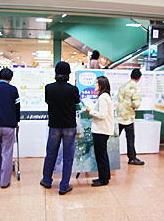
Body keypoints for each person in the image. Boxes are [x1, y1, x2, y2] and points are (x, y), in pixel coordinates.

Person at [40, 61, 80, 195]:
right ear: (68, 74)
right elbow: (76, 102)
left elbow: (48, 101)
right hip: (69, 126)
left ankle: (46, 180)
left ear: (56, 73)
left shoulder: (48, 88)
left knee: (51, 154)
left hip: (54, 126)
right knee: (68, 157)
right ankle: (64, 186)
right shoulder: (73, 89)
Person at [86, 76, 114, 187]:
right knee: (103, 154)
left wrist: (90, 111)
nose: (94, 85)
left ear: (101, 85)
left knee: (100, 155)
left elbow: (102, 115)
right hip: (103, 130)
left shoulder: (103, 97)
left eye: (96, 83)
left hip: (101, 130)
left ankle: (103, 179)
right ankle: (105, 176)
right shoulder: (105, 96)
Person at [116, 68, 144, 165]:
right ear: (139, 78)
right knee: (130, 139)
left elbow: (118, 99)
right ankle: (132, 158)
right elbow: (136, 104)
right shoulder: (135, 88)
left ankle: (110, 156)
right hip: (128, 117)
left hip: (119, 116)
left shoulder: (122, 86)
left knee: (114, 138)